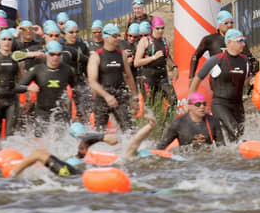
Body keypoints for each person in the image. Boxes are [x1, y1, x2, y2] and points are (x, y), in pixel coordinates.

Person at [9, 111, 159, 178]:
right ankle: (14, 173)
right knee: (39, 155)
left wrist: (151, 126)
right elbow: (133, 144)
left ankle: (14, 172)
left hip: (74, 175)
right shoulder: (116, 160)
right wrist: (103, 137)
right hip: (74, 174)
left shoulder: (116, 160)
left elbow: (134, 144)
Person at [189, 29, 252, 141]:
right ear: (229, 43)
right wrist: (191, 102)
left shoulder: (245, 60)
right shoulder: (216, 60)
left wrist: (252, 82)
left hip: (238, 105)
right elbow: (197, 79)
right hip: (220, 104)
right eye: (240, 41)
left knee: (236, 137)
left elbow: (245, 81)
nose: (244, 43)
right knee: (236, 132)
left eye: (244, 40)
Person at [15, 40, 77, 135]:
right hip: (42, 112)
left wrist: (78, 113)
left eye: (58, 55)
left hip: (61, 112)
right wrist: (28, 88)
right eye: (52, 54)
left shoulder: (67, 70)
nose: (55, 57)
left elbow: (76, 90)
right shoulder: (37, 70)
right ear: (47, 54)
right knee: (41, 143)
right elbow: (17, 87)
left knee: (61, 142)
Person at [87, 23, 139, 132]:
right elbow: (92, 82)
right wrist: (106, 96)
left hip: (119, 96)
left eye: (119, 35)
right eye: (115, 36)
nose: (118, 38)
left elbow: (129, 77)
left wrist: (135, 98)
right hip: (102, 98)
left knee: (129, 130)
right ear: (106, 37)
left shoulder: (121, 54)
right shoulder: (96, 56)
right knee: (99, 133)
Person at [189, 10, 259, 81]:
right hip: (217, 80)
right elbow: (195, 56)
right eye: (226, 23)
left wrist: (252, 76)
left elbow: (251, 60)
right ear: (219, 24)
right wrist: (191, 77)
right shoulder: (210, 39)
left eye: (231, 22)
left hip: (236, 78)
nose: (229, 25)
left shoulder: (238, 39)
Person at [134, 16, 177, 117]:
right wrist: (153, 57)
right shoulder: (145, 41)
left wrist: (174, 67)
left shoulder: (165, 41)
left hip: (162, 77)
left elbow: (167, 57)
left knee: (174, 100)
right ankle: (154, 129)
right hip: (148, 79)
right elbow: (136, 62)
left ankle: (166, 124)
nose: (160, 30)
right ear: (152, 28)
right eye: (158, 28)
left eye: (162, 28)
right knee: (153, 108)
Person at [157, 92, 225, 149]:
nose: (202, 107)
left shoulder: (213, 121)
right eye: (198, 104)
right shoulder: (177, 124)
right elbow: (161, 147)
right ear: (189, 106)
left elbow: (222, 147)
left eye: (204, 104)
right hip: (187, 159)